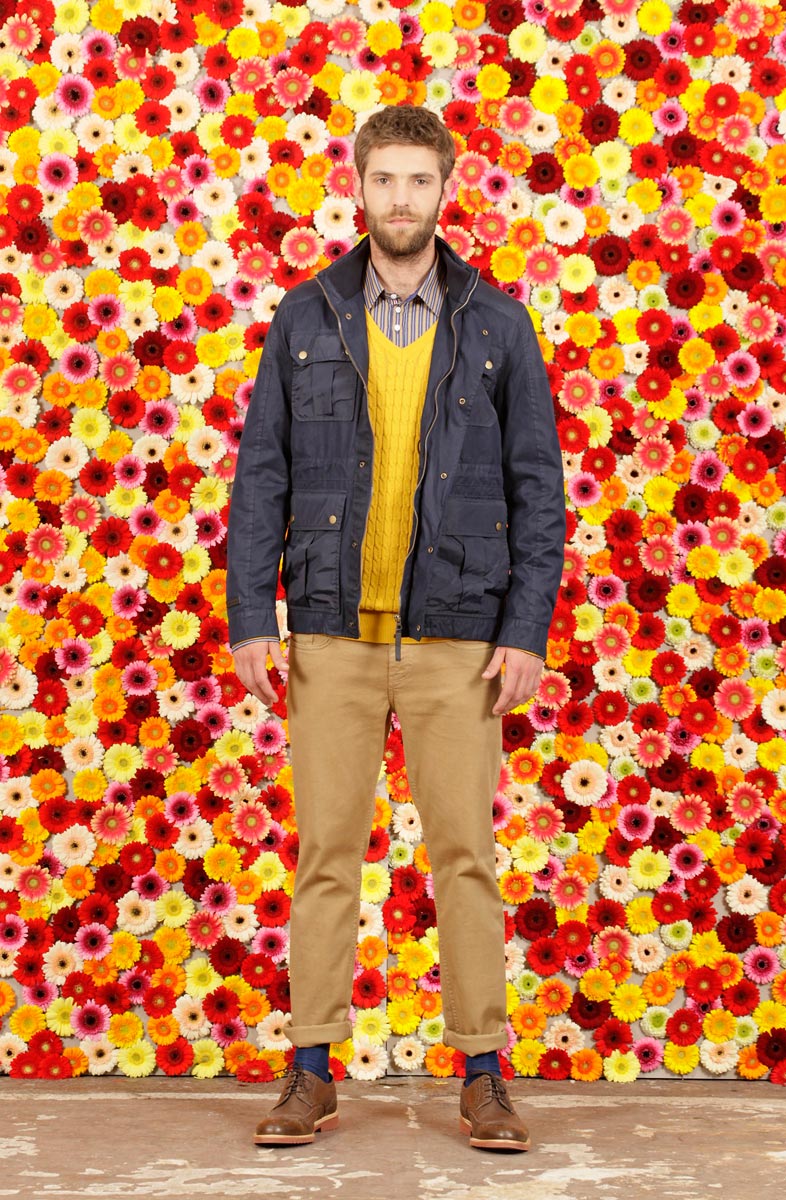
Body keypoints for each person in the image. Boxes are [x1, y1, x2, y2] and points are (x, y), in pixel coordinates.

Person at [226, 106, 566, 1152]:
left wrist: (525, 630)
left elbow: (537, 488)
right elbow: (263, 473)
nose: (402, 199)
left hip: (459, 637)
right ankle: (310, 1071)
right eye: (386, 180)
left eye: (420, 181)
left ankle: (482, 1074)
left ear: (445, 190)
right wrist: (252, 615)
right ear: (359, 187)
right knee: (326, 854)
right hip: (331, 633)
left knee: (465, 857)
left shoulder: (498, 323)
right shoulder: (306, 315)